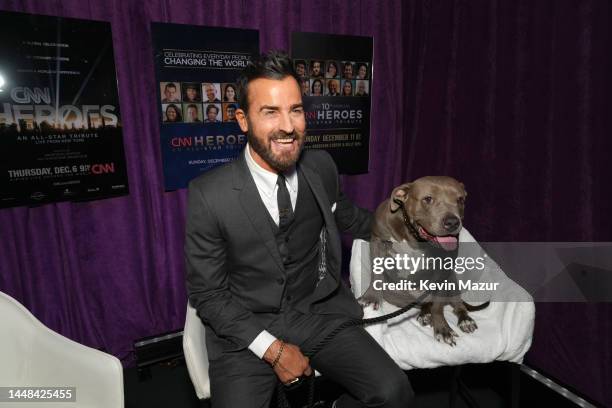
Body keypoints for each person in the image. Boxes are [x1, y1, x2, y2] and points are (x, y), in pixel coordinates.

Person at [185, 50, 414, 408]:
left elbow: (351, 218)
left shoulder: (320, 166)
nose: (288, 126)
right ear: (243, 120)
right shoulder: (209, 195)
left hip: (315, 313)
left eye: (295, 110)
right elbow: (209, 296)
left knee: (393, 393)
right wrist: (273, 350)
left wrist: (411, 231)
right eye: (270, 112)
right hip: (246, 329)